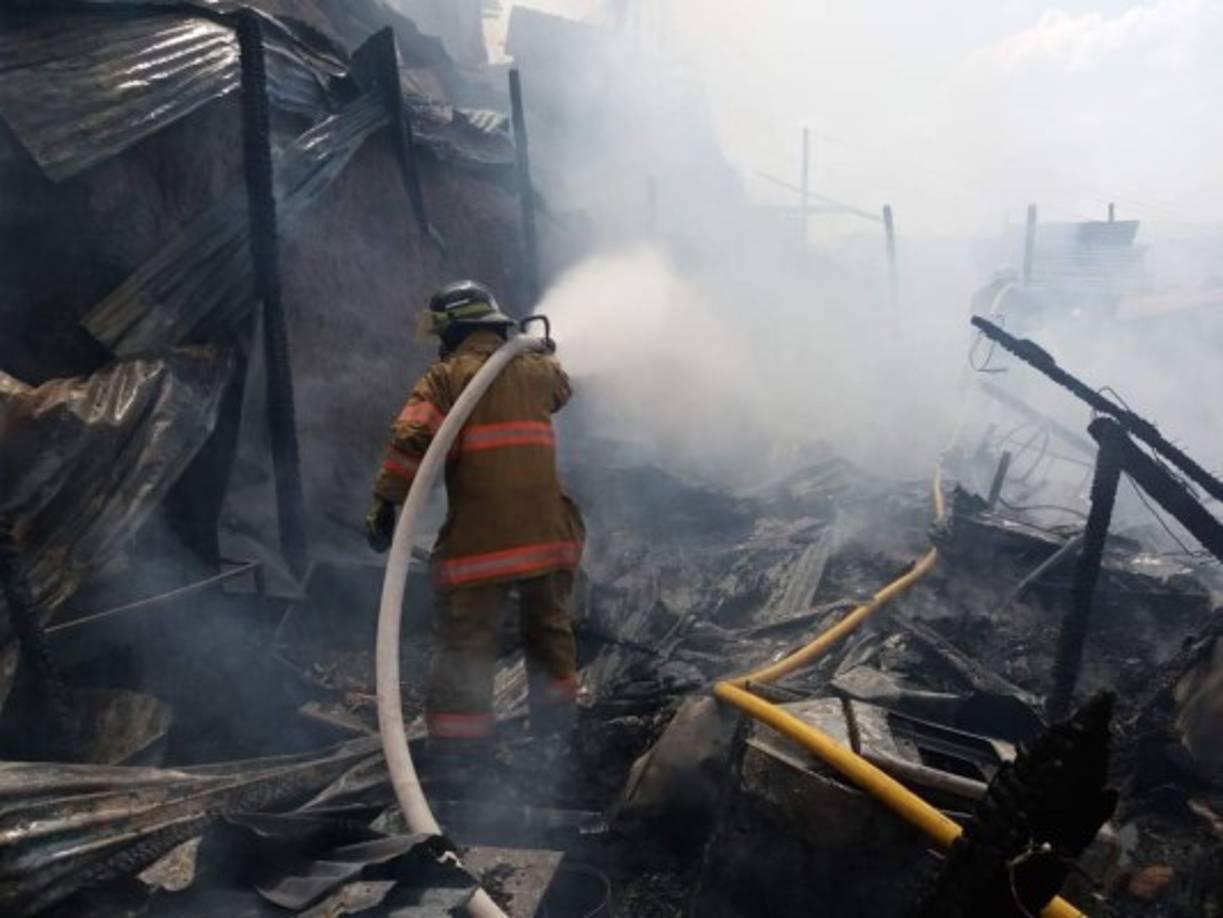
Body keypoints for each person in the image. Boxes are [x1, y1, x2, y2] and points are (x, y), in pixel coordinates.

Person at [366, 280, 584, 767]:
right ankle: (558, 738)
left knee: (466, 643)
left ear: (455, 329)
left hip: (480, 548)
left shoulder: (445, 379)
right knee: (550, 632)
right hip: (548, 539)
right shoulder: (538, 371)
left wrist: (384, 503)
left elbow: (411, 442)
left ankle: (461, 755)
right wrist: (544, 352)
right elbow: (563, 388)